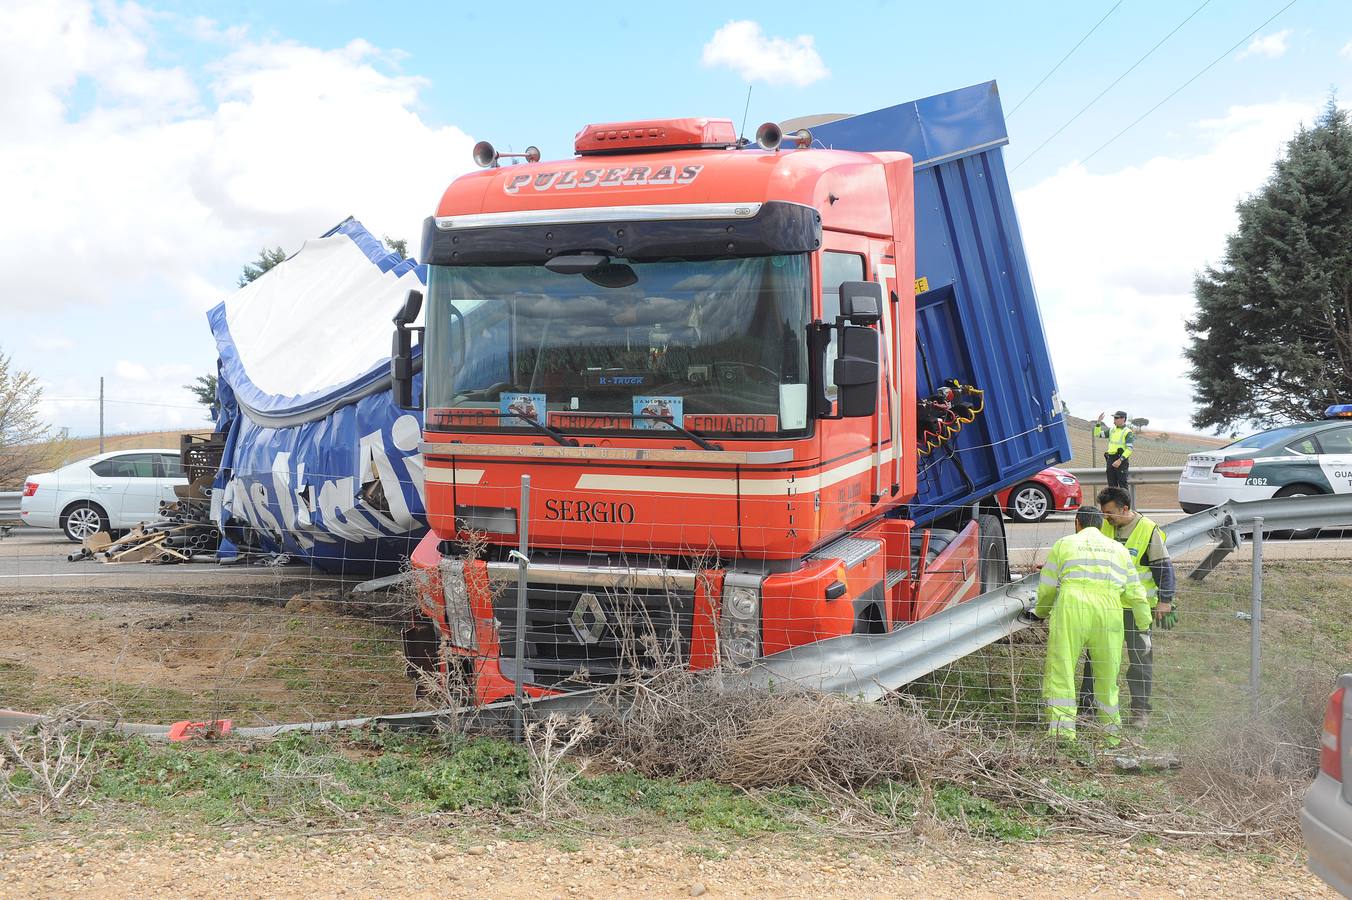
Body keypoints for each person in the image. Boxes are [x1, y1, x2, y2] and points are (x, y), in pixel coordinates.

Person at [1033, 506, 1150, 745]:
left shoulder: (1064, 544)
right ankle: (1112, 735)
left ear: (1077, 522)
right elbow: (1136, 592)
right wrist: (1144, 623)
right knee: (1107, 675)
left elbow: (1046, 586)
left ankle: (1063, 733)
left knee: (1062, 670)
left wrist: (1041, 612)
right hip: (1109, 610)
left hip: (1071, 607)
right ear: (1100, 524)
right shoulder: (1119, 549)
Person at [1080, 486, 1177, 728]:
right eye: (1103, 513)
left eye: (1110, 512)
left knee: (1140, 660)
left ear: (1125, 508)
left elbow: (1164, 569)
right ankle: (1087, 709)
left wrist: (1166, 600)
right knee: (1096, 658)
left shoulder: (1147, 530)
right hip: (1105, 607)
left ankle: (1140, 712)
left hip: (1136, 609)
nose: (1106, 517)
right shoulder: (1104, 527)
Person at [1093, 411, 1134, 490]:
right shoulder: (1111, 430)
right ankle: (1113, 502)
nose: (1114, 420)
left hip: (1121, 460)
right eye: (1114, 418)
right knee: (1111, 487)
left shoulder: (1128, 432)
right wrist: (1098, 423)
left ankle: (1125, 502)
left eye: (1116, 418)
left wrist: (1120, 460)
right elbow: (1097, 434)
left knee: (1123, 486)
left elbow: (1129, 449)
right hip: (1110, 459)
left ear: (1123, 419)